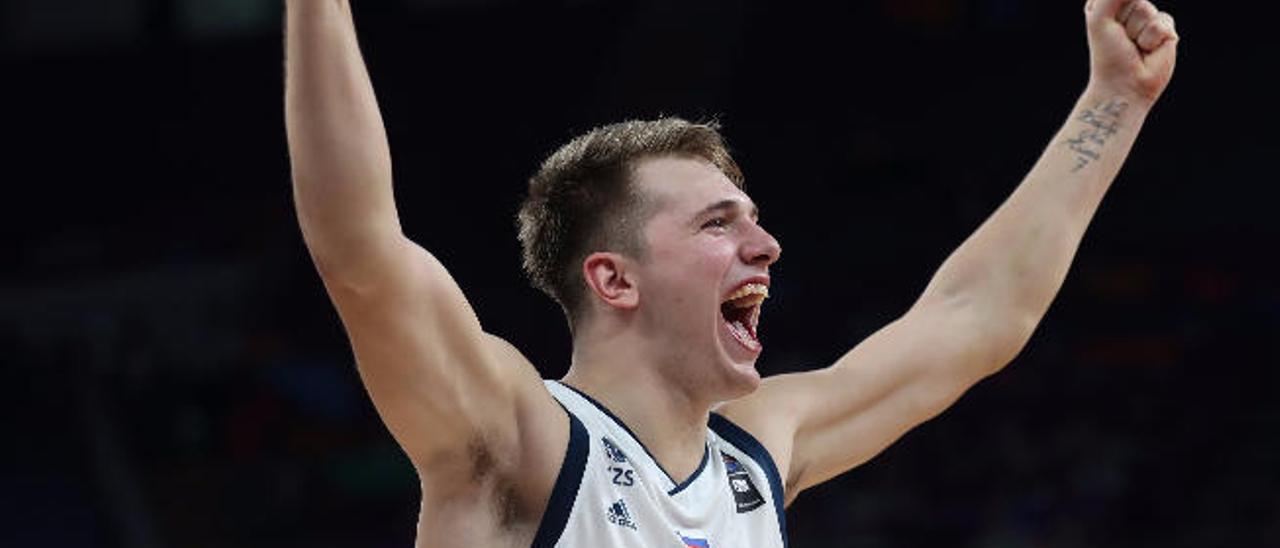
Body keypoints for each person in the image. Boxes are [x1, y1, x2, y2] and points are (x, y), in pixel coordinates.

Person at [283, 0, 1178, 545]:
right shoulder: (519, 440)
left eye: (754, 218)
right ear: (614, 279)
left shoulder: (759, 446)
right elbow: (360, 251)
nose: (767, 246)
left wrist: (1115, 100)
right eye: (719, 223)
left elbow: (976, 317)